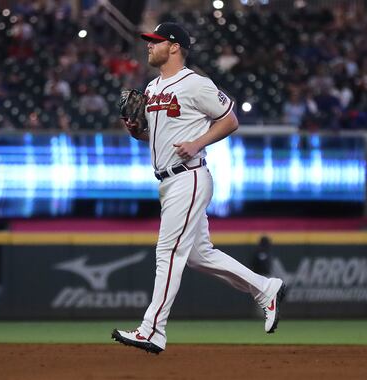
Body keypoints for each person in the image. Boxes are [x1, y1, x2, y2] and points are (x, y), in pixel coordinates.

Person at [111, 23, 286, 354]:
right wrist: (139, 134)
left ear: (174, 47)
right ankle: (265, 288)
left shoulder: (195, 84)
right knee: (198, 255)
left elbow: (230, 119)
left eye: (156, 41)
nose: (149, 46)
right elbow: (160, 137)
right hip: (168, 180)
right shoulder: (151, 87)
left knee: (168, 251)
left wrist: (198, 142)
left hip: (189, 176)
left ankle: (152, 330)